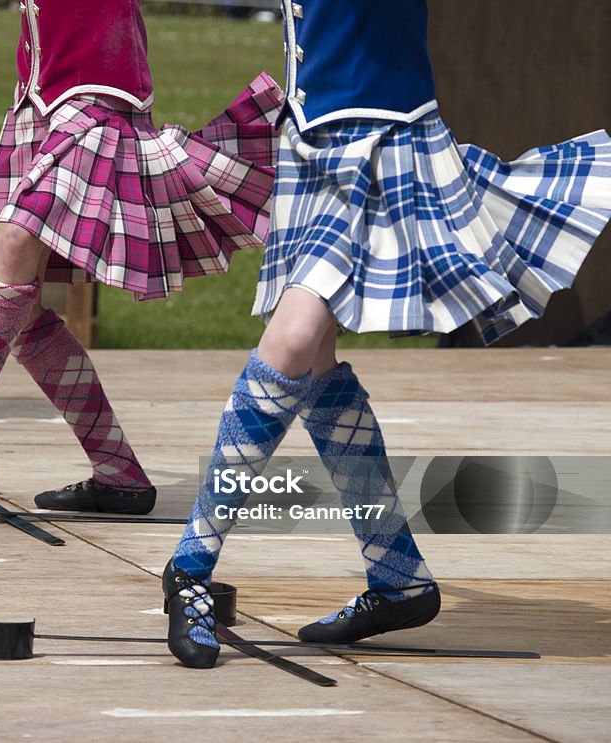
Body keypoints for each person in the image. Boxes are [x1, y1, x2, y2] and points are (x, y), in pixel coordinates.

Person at [164, 0, 611, 668]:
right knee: (311, 362)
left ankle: (189, 568)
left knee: (290, 341)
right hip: (312, 146)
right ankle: (397, 573)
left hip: (381, 143)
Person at [0, 0, 283, 533]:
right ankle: (119, 474)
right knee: (15, 305)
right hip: (41, 101)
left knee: (14, 245)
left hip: (97, 99)